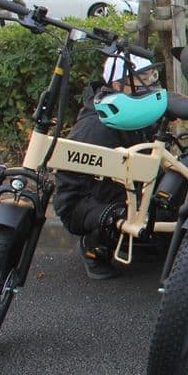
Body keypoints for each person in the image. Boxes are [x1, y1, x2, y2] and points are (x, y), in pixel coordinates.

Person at [52, 53, 165, 279]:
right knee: (136, 212)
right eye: (143, 79)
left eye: (152, 76)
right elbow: (88, 181)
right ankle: (94, 248)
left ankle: (139, 240)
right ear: (117, 85)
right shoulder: (95, 125)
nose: (151, 83)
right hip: (83, 200)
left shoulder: (131, 110)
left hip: (119, 184)